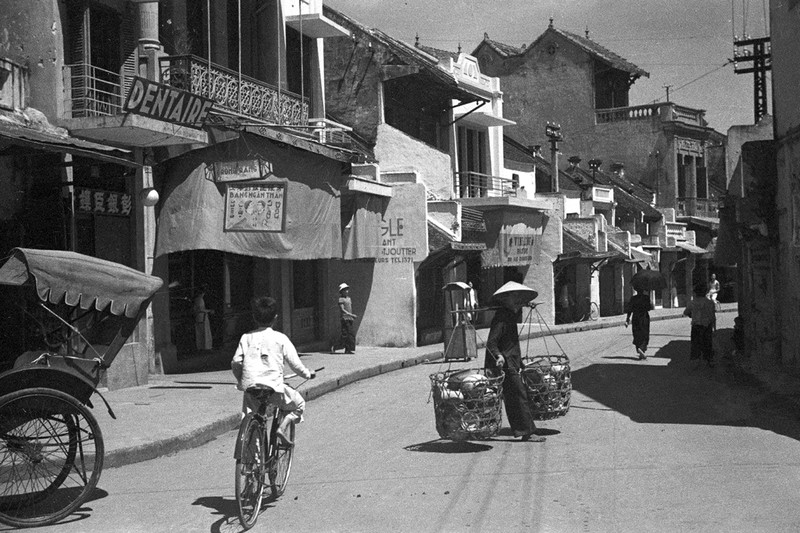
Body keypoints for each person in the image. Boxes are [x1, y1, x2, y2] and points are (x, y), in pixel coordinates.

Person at [231, 296, 315, 446]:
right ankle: (282, 428)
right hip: (273, 389)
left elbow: (236, 362)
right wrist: (308, 374)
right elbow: (296, 365)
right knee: (299, 404)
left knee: (251, 417)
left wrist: (241, 380)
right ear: (275, 318)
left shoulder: (246, 338)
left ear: (254, 318)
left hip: (251, 388)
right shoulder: (280, 338)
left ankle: (253, 461)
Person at [484, 291, 545, 443]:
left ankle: (524, 429)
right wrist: (498, 355)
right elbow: (492, 342)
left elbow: (511, 344)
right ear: (506, 300)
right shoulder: (501, 318)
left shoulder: (509, 314)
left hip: (511, 362)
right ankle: (527, 432)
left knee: (515, 397)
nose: (519, 302)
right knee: (519, 395)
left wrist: (526, 304)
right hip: (504, 364)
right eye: (515, 300)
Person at [684, 284, 717, 367]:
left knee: (695, 343)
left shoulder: (692, 302)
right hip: (707, 325)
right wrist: (714, 329)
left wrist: (691, 315)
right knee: (708, 343)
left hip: (696, 325)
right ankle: (709, 360)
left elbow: (686, 312)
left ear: (696, 293)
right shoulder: (710, 303)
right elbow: (713, 316)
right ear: (705, 292)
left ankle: (696, 360)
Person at [625, 288, 654, 360]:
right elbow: (649, 308)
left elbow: (629, 310)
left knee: (636, 333)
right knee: (645, 334)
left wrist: (627, 319)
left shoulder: (633, 298)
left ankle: (639, 348)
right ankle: (642, 349)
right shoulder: (646, 298)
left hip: (635, 318)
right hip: (644, 317)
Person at [332, 283, 357, 354]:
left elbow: (349, 308)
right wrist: (350, 314)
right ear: (342, 291)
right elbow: (342, 310)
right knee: (345, 334)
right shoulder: (341, 299)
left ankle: (348, 349)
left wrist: (351, 316)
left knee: (351, 334)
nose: (346, 291)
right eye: (345, 290)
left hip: (350, 318)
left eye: (347, 290)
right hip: (345, 318)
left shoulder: (349, 299)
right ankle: (336, 346)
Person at [193, 286, 213, 351]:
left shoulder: (196, 299)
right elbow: (201, 309)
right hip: (203, 317)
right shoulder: (200, 299)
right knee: (205, 332)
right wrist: (209, 311)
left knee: (199, 333)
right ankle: (206, 347)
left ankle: (200, 346)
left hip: (198, 317)